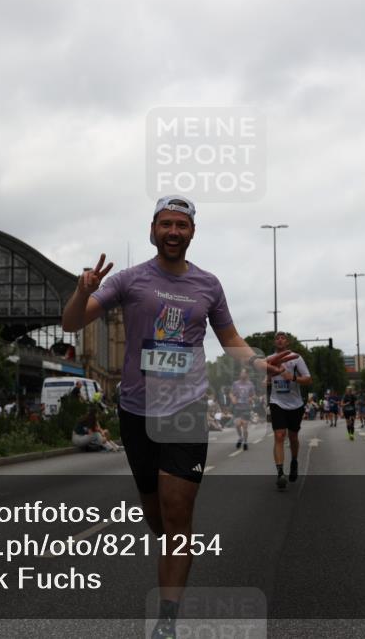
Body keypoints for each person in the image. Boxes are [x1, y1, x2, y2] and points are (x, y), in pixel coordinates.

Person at [61, 196, 295, 639]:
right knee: (157, 516)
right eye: (166, 224)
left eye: (181, 225)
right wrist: (83, 291)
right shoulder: (129, 281)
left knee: (177, 512)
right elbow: (72, 323)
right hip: (135, 410)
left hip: (186, 410)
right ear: (153, 230)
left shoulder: (208, 285)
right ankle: (173, 543)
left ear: (191, 233)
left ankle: (167, 620)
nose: (173, 231)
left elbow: (230, 339)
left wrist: (260, 364)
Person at [267, 332, 312, 489]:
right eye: (277, 338)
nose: (280, 339)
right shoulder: (270, 359)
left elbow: (308, 378)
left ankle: (294, 460)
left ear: (287, 342)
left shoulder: (296, 358)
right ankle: (280, 473)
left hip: (295, 404)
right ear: (275, 342)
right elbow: (264, 378)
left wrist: (292, 378)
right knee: (279, 435)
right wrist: (267, 377)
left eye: (283, 338)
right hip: (276, 402)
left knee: (293, 437)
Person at [230, 368, 256, 451]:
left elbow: (253, 395)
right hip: (237, 408)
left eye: (244, 373)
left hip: (246, 408)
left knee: (245, 426)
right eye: (241, 373)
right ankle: (240, 437)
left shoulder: (250, 384)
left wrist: (251, 399)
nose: (242, 374)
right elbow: (231, 393)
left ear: (247, 375)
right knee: (237, 425)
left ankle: (245, 442)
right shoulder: (235, 384)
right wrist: (232, 398)